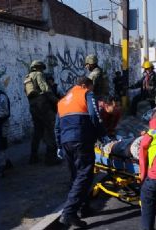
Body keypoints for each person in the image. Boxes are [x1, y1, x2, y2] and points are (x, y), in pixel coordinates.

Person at [55, 77, 104, 227]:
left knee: (76, 176)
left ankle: (83, 208)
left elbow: (57, 126)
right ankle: (68, 213)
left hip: (66, 141)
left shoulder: (62, 101)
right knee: (84, 175)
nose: (92, 90)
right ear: (84, 85)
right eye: (91, 87)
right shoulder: (86, 94)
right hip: (81, 139)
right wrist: (102, 134)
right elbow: (95, 115)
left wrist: (59, 145)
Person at [23, 60, 60, 165]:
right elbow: (46, 89)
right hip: (43, 106)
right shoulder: (39, 75)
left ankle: (33, 157)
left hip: (33, 107)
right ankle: (51, 158)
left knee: (37, 132)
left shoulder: (27, 77)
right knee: (50, 130)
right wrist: (58, 101)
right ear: (40, 67)